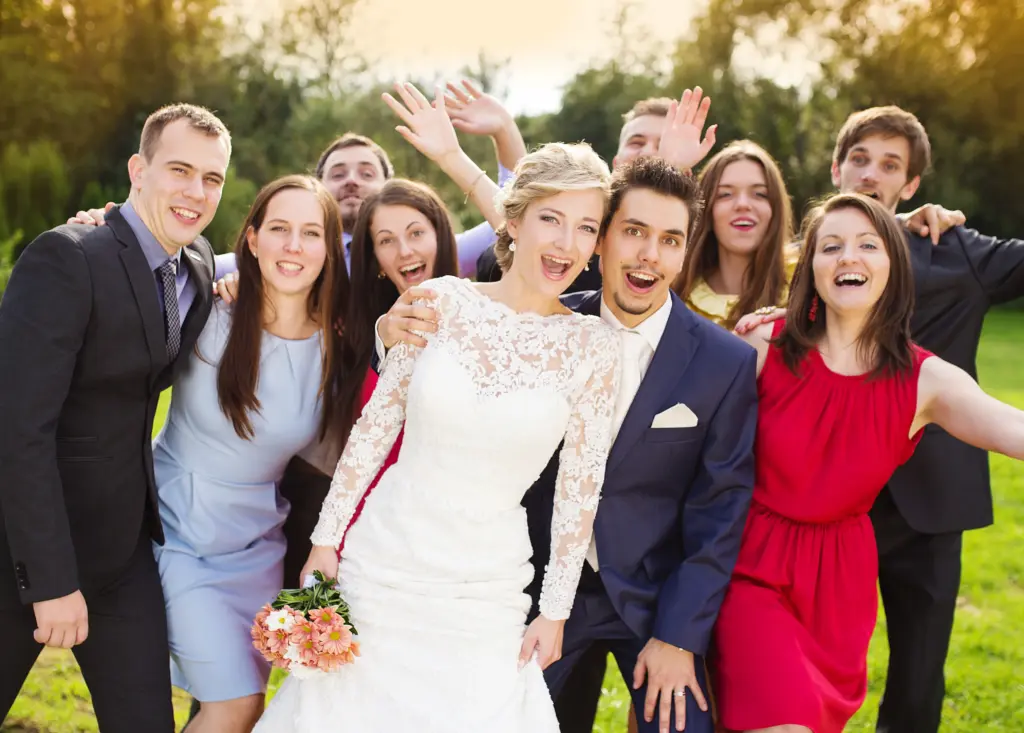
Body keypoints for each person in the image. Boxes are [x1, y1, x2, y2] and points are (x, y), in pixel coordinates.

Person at [254, 86, 622, 732]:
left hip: (485, 591)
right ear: (514, 220)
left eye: (587, 226)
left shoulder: (593, 347)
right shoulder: (442, 302)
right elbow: (374, 430)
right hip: (384, 562)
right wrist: (325, 540)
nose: (567, 242)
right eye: (552, 219)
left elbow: (578, 492)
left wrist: (555, 608)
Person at [378, 154, 759, 733]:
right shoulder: (544, 324)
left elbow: (720, 512)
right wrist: (388, 333)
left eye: (670, 240)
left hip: (653, 600)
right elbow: (468, 333)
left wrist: (678, 637)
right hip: (534, 587)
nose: (648, 255)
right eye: (633, 232)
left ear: (686, 252)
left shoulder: (724, 363)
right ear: (601, 240)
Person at [739, 105, 1024, 733]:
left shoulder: (929, 361)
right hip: (754, 560)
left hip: (858, 560)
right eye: (833, 246)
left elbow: (1011, 428)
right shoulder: (767, 335)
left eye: (870, 244)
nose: (851, 256)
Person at [0, 104, 230, 732]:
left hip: (123, 553)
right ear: (138, 169)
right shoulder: (66, 258)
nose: (195, 191)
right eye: (179, 170)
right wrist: (49, 582)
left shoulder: (202, 267)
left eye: (212, 178)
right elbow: (17, 430)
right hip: (24, 547)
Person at [153, 175, 347, 733]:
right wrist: (98, 219)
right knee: (232, 706)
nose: (293, 246)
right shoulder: (207, 304)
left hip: (258, 547)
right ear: (253, 238)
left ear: (329, 250)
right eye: (280, 229)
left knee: (247, 707)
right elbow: (142, 250)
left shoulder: (338, 344)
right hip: (178, 532)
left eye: (311, 233)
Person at [675, 140, 797, 329]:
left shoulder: (806, 284)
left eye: (759, 194)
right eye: (725, 194)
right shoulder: (675, 293)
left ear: (775, 208)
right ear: (706, 209)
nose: (743, 204)